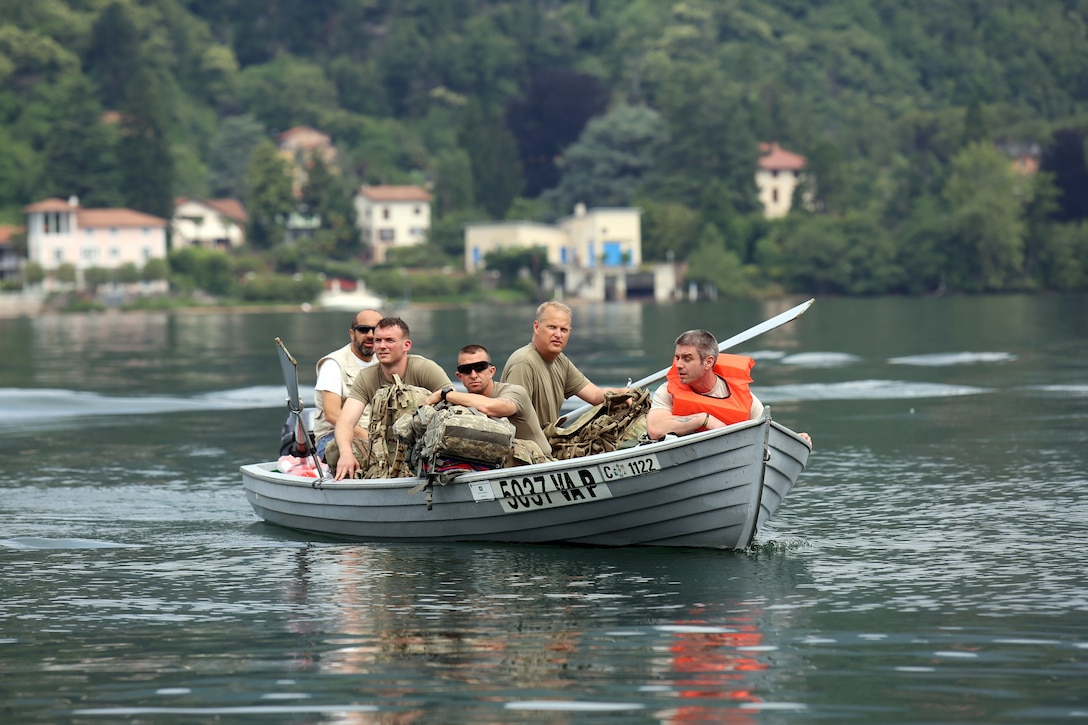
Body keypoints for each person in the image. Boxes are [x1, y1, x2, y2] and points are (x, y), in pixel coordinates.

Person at [333, 317, 451, 480]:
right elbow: (345, 421)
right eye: (378, 340)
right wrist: (346, 454)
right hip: (385, 449)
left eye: (389, 340)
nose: (382, 346)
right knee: (334, 450)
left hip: (424, 449)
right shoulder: (367, 377)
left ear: (406, 345)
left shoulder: (425, 369)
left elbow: (452, 406)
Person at [646, 329, 811, 444]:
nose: (678, 365)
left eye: (687, 358)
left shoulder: (747, 402)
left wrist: (794, 440)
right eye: (677, 358)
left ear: (708, 362)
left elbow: (768, 440)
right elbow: (655, 429)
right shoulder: (667, 392)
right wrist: (703, 419)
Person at [501, 300, 628, 426]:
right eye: (552, 327)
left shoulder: (560, 361)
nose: (558, 334)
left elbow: (594, 395)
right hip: (529, 444)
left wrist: (621, 393)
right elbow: (514, 419)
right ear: (536, 327)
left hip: (549, 442)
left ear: (569, 333)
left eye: (563, 330)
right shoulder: (523, 363)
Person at [425, 344, 552, 456]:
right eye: (466, 370)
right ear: (459, 376)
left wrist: (445, 394)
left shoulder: (515, 392)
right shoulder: (462, 405)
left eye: (480, 367)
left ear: (491, 371)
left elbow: (491, 407)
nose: (473, 375)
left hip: (537, 463)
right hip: (497, 468)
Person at [312, 308, 383, 459]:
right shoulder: (333, 364)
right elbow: (332, 414)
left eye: (376, 330)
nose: (370, 335)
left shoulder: (384, 363)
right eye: (364, 330)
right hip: (332, 438)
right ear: (352, 334)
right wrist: (368, 438)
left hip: (377, 436)